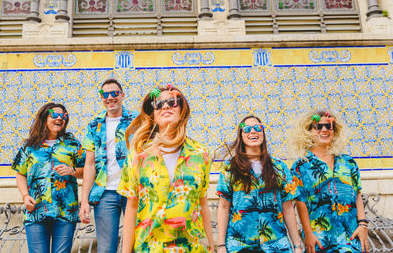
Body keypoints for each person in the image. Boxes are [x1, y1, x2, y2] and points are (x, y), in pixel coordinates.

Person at [117, 84, 214, 252]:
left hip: (191, 247)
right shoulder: (139, 153)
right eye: (158, 104)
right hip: (150, 247)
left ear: (182, 110)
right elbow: (131, 207)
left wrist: (213, 246)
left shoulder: (201, 153)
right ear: (153, 115)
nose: (166, 106)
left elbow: (202, 202)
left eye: (172, 102)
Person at [216, 115, 303, 253]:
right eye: (247, 129)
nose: (253, 131)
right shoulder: (229, 168)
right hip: (240, 244)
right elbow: (224, 207)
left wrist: (297, 245)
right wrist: (221, 246)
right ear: (241, 136)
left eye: (258, 128)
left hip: (276, 244)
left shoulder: (279, 167)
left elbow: (288, 208)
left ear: (263, 133)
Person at [289, 110, 369, 253]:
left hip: (351, 238)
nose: (324, 130)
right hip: (320, 240)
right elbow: (300, 202)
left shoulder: (348, 163)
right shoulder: (301, 166)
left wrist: (363, 225)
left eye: (329, 126)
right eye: (318, 126)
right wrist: (308, 234)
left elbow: (357, 194)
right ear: (308, 132)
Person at [12, 103, 85, 253]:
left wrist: (72, 170)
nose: (60, 118)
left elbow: (87, 171)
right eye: (55, 115)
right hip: (36, 210)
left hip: (66, 210)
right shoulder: (30, 147)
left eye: (63, 116)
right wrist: (25, 196)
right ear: (44, 117)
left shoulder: (73, 144)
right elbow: (20, 174)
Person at [79, 79, 138, 253]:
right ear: (101, 98)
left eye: (115, 93)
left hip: (134, 191)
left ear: (122, 95)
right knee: (105, 249)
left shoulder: (137, 120)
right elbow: (89, 164)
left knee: (136, 245)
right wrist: (84, 201)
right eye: (105, 95)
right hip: (105, 193)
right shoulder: (93, 125)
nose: (110, 98)